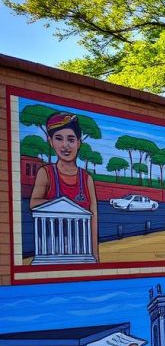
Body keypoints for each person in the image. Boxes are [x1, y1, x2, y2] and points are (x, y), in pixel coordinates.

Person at [29, 112, 100, 263]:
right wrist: (62, 205)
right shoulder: (46, 173)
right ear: (50, 141)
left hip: (82, 252)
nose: (65, 145)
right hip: (51, 251)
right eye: (59, 138)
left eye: (71, 139)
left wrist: (95, 256)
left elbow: (93, 220)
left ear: (79, 143)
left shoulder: (87, 179)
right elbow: (33, 203)